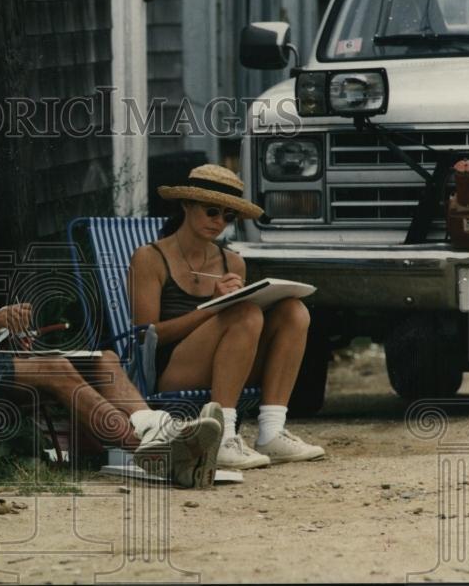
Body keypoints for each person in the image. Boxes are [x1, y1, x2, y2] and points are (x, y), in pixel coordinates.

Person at [0, 159, 222, 488]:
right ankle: (159, 457)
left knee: (103, 360)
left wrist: (5, 331)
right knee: (56, 368)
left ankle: (157, 430)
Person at [128, 164, 326, 469]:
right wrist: (212, 306)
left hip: (226, 363)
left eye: (228, 216)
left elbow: (239, 332)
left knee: (293, 310)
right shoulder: (150, 257)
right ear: (186, 205)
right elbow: (146, 336)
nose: (219, 222)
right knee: (244, 313)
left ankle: (271, 431)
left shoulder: (232, 262)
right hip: (172, 371)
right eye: (211, 211)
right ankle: (222, 435)